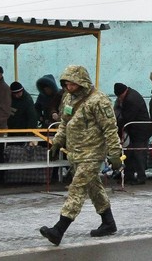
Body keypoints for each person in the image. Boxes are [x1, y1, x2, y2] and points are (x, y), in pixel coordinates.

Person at [40, 65, 123, 246]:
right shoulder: (69, 98)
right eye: (66, 84)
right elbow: (65, 122)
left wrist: (115, 153)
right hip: (76, 153)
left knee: (76, 189)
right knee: (94, 188)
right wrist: (57, 143)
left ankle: (59, 229)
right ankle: (108, 222)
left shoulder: (98, 100)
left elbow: (110, 128)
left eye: (72, 84)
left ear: (81, 82)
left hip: (92, 153)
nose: (68, 87)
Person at [114, 82, 151, 185]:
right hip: (133, 130)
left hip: (140, 131)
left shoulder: (131, 99)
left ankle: (141, 177)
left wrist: (119, 130)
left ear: (123, 92)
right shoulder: (128, 95)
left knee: (139, 154)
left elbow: (127, 118)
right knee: (129, 154)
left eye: (120, 96)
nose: (119, 99)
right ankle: (128, 176)